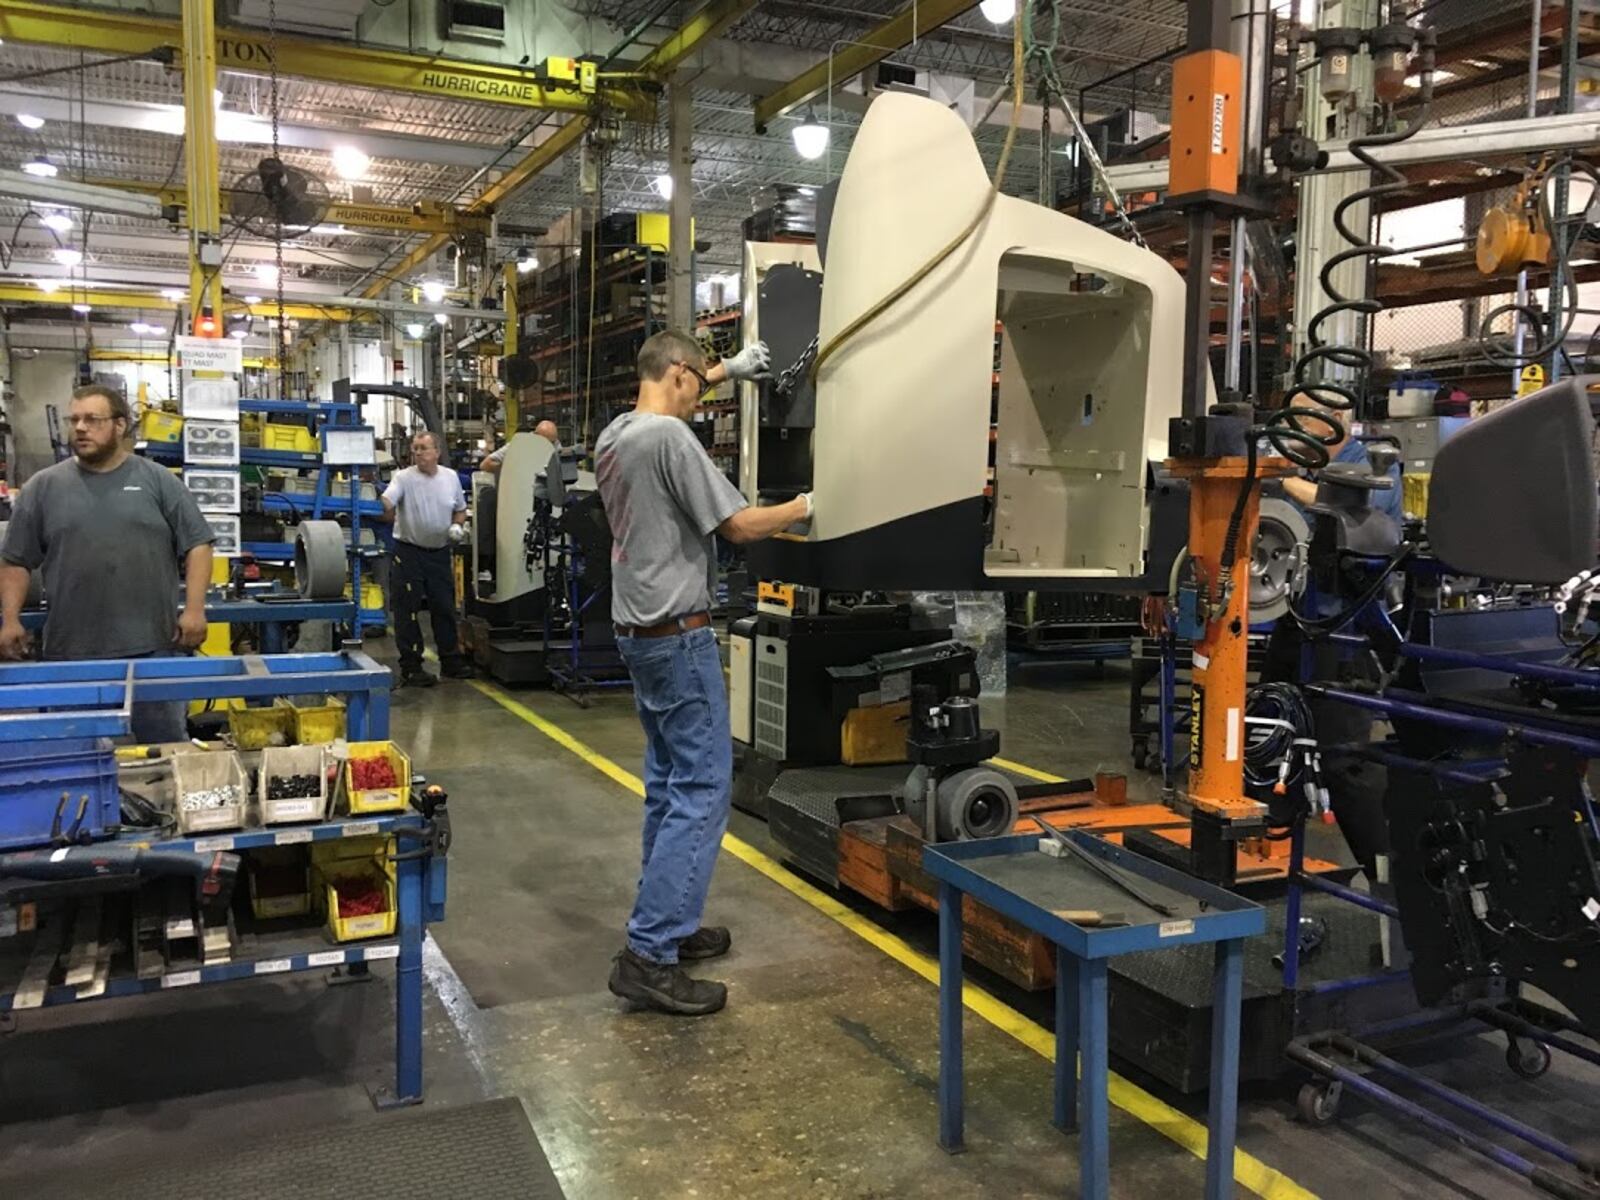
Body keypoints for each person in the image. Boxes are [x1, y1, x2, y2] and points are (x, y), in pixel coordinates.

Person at [597, 330, 809, 1017]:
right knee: (702, 790)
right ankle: (650, 955)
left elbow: (677, 380)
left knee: (667, 785)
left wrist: (727, 369)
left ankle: (669, 925)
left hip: (639, 636)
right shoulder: (669, 441)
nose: (697, 400)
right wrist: (810, 503)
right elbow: (742, 526)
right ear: (680, 376)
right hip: (679, 639)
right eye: (698, 384)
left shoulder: (616, 436)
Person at [0, 384, 215, 743]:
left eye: (92, 420)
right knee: (74, 759)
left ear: (119, 425)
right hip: (70, 656)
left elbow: (199, 543)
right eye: (75, 420)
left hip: (153, 649)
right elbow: (15, 560)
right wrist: (9, 620)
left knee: (162, 757)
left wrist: (195, 610)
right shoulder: (43, 488)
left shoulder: (157, 481)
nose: (80, 428)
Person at [379, 430, 472, 687]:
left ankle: (451, 661)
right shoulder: (403, 478)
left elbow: (461, 509)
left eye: (423, 448)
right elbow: (388, 501)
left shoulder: (450, 477)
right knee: (407, 610)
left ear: (437, 452)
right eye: (415, 448)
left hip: (439, 553)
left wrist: (457, 525)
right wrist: (376, 500)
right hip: (408, 553)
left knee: (443, 607)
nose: (418, 452)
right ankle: (411, 666)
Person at [482, 420, 559, 474]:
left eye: (552, 442)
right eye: (545, 443)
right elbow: (485, 464)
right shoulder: (518, 446)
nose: (548, 447)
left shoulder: (556, 445)